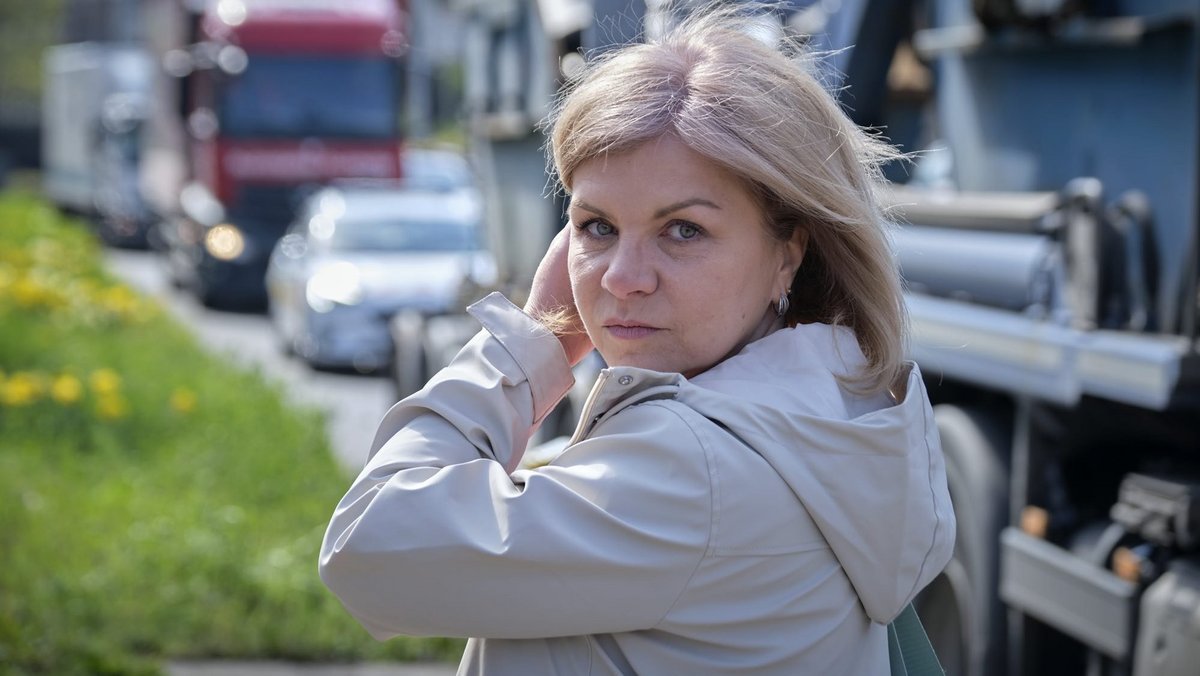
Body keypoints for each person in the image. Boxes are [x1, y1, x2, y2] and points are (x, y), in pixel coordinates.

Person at [319, 5, 955, 674]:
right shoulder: (828, 407)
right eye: (597, 227)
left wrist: (531, 339)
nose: (623, 278)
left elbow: (369, 544)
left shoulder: (694, 470)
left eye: (682, 230)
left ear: (787, 255)